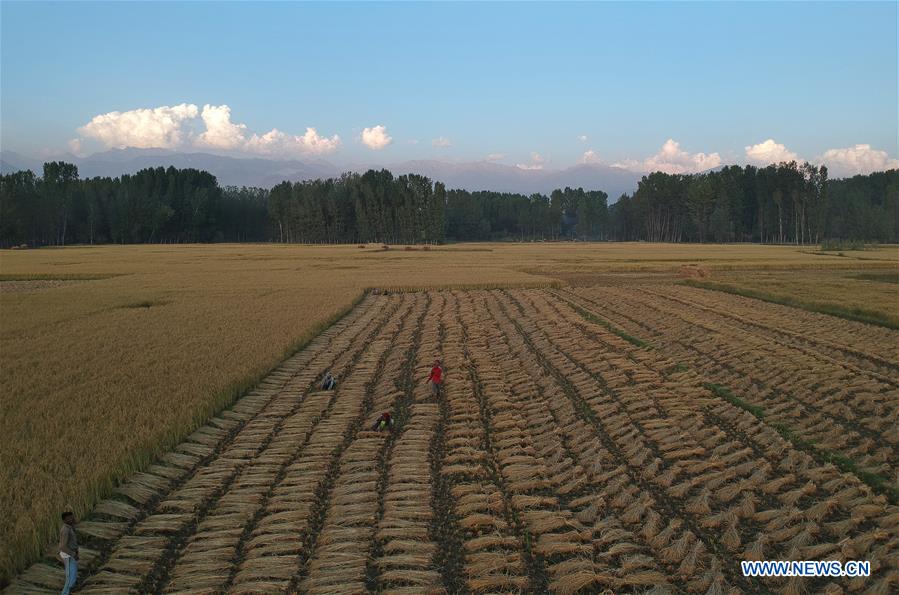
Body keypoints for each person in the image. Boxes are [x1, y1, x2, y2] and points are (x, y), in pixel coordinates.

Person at [59, 511, 78, 595]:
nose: (71, 519)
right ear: (64, 520)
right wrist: (73, 554)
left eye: (72, 517)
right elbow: (62, 546)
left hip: (72, 554)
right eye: (69, 518)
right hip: (68, 556)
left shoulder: (70, 527)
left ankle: (69, 591)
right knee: (69, 577)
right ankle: (65, 593)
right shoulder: (65, 530)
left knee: (73, 575)